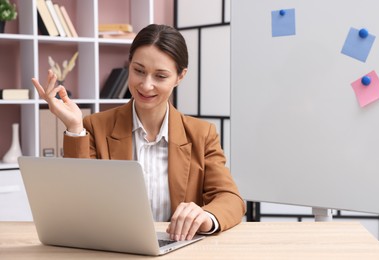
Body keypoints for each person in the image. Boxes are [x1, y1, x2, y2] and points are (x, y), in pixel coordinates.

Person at [32, 24, 245, 241]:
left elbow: (230, 198)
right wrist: (75, 128)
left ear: (180, 76)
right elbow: (76, 198)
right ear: (129, 64)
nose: (146, 85)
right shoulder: (95, 126)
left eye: (160, 76)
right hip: (114, 248)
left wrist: (205, 216)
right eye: (139, 71)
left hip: (179, 249)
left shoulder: (202, 134)